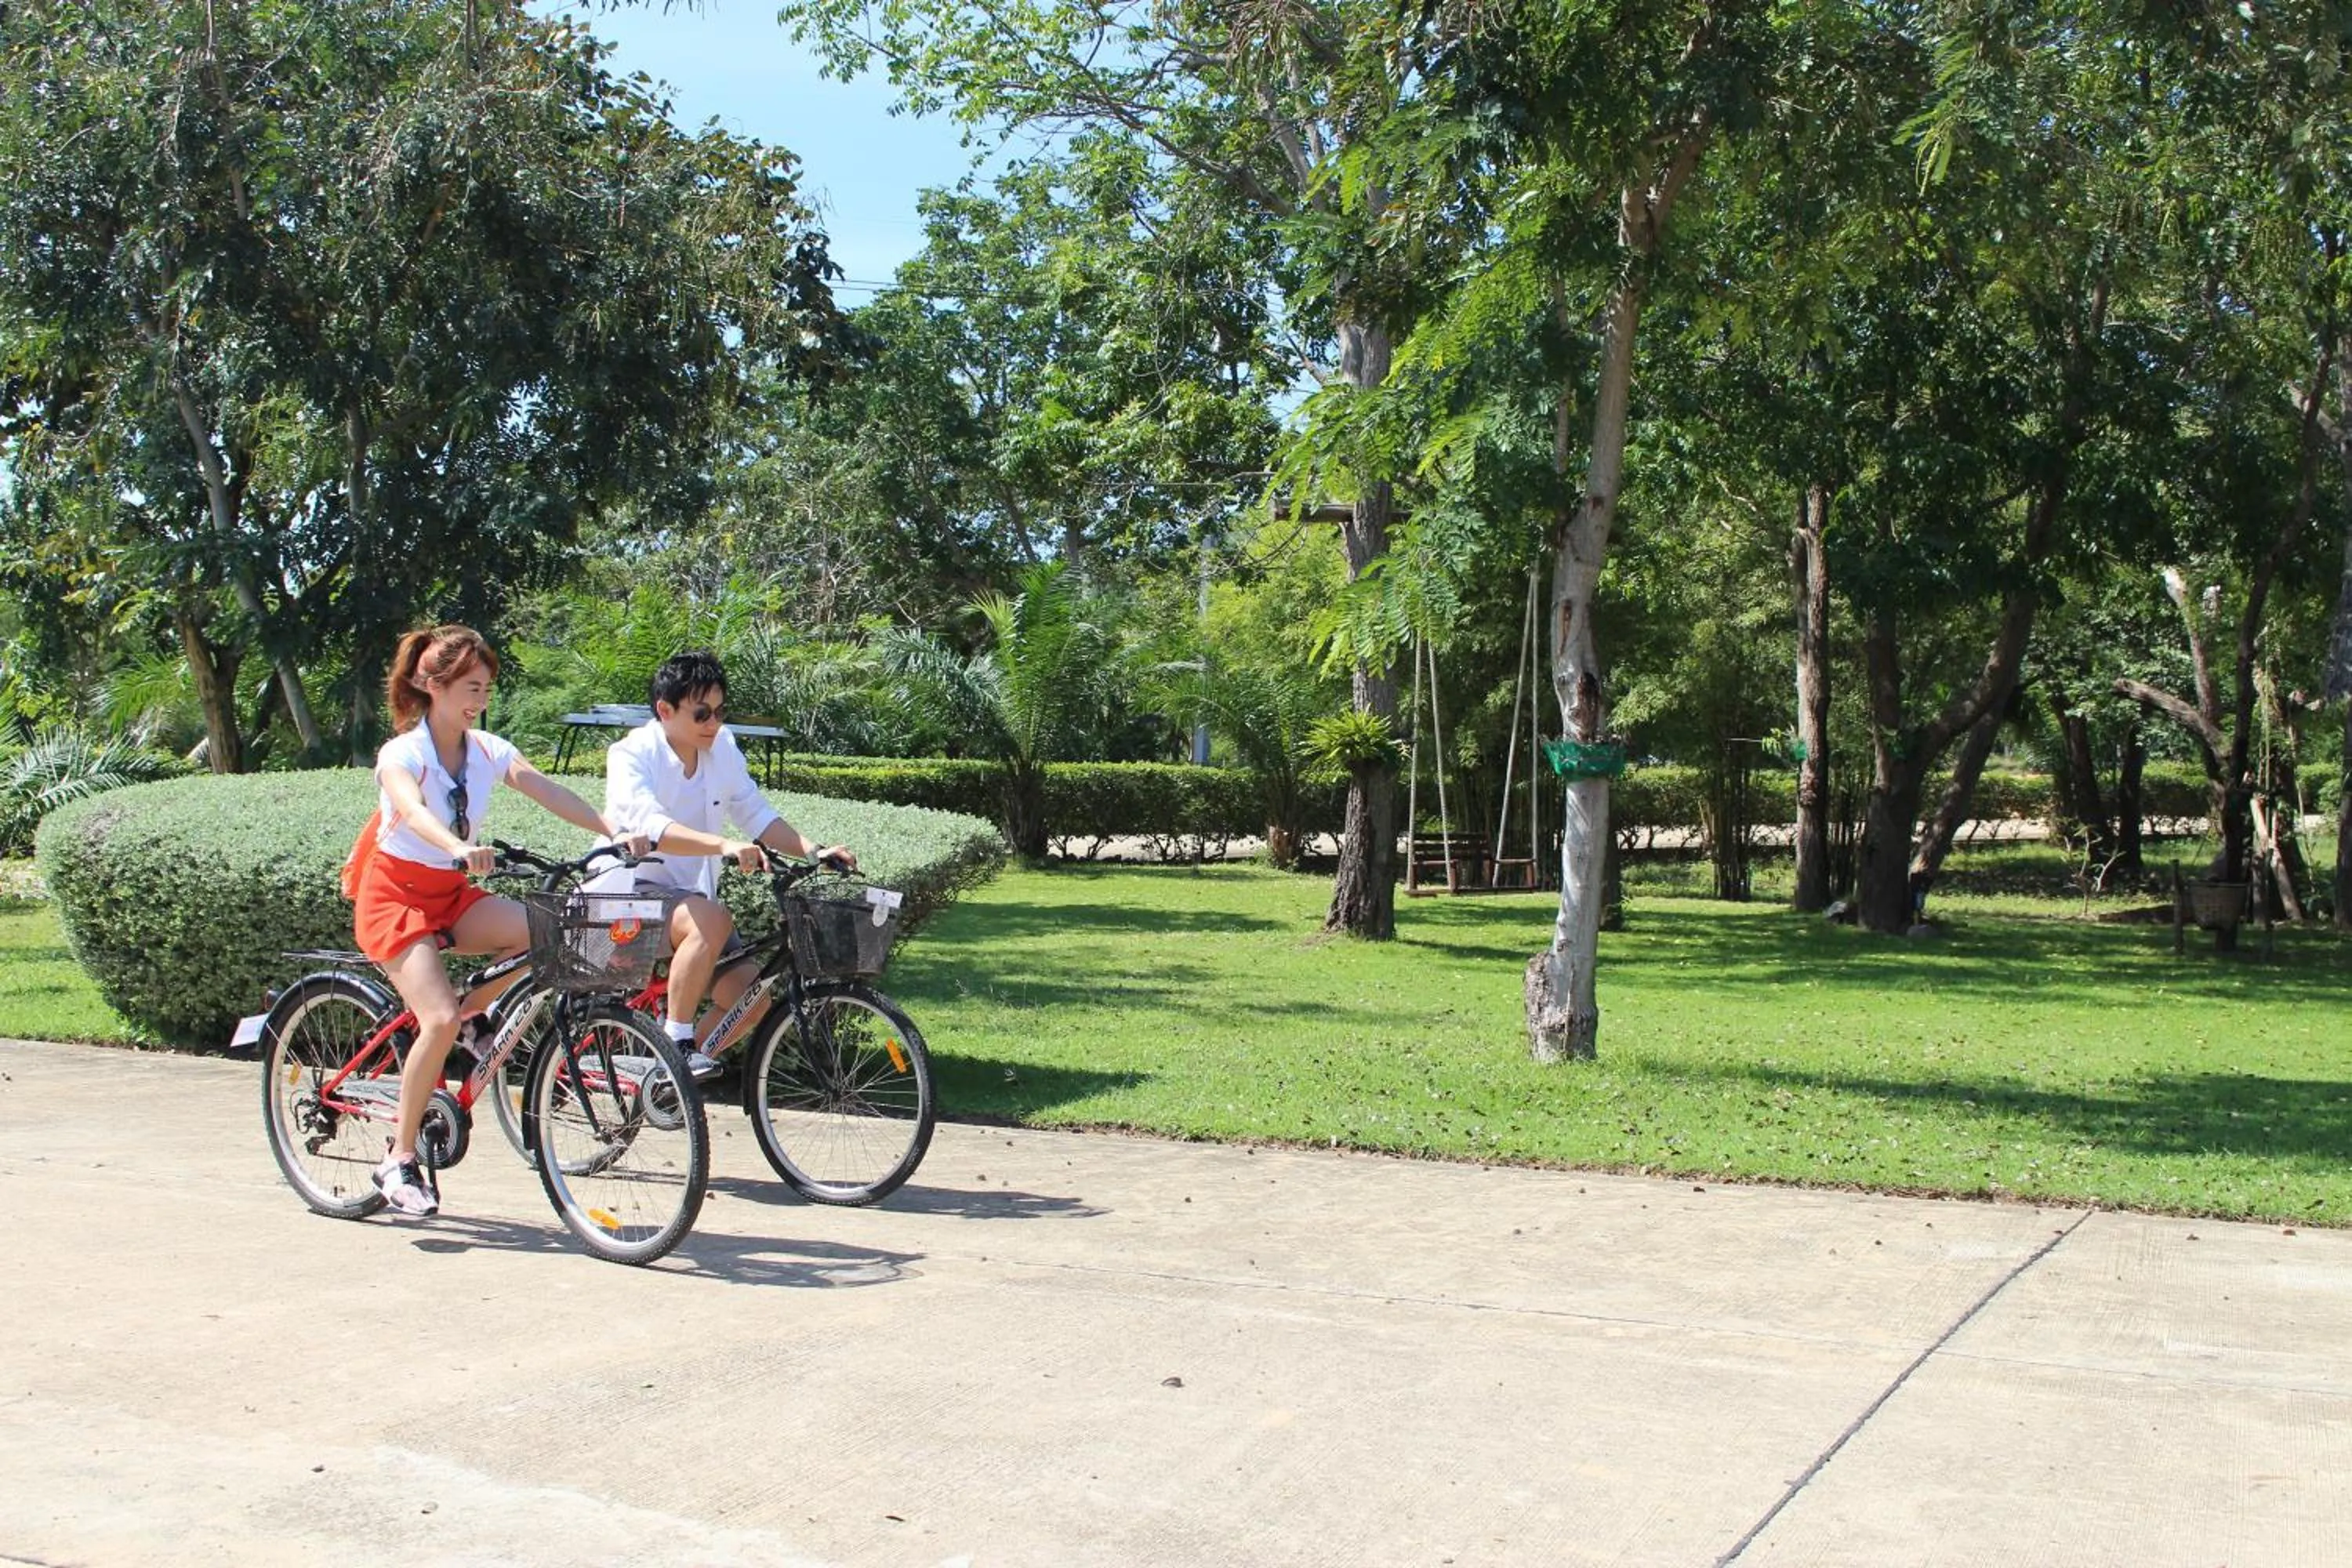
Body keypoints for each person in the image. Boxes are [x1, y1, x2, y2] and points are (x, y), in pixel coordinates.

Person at [351, 625, 645, 1218]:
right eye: (468, 687)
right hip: (393, 894)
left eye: (484, 688)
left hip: (450, 893)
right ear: (431, 685)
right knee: (433, 1020)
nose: (478, 701)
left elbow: (545, 789)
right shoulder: (402, 753)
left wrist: (613, 832)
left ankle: (470, 1013)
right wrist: (457, 847)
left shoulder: (487, 749)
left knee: (551, 933)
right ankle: (398, 1159)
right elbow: (409, 808)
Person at [590, 650, 855, 1080]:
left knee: (749, 998)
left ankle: (664, 1079)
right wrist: (724, 845)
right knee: (711, 920)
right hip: (626, 895)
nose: (714, 723)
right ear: (665, 710)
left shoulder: (723, 746)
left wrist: (814, 851)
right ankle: (676, 1041)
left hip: (689, 899)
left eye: (720, 711)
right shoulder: (631, 754)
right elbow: (652, 826)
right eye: (702, 714)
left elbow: (755, 812)